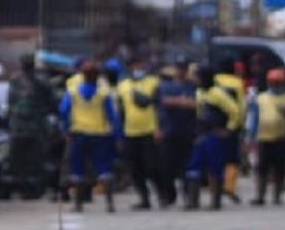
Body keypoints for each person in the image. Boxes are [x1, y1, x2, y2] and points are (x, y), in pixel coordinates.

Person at [59, 59, 123, 212]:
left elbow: (63, 111)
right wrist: (119, 137)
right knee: (104, 168)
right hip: (101, 135)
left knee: (78, 169)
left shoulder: (73, 92)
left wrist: (66, 129)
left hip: (79, 134)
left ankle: (78, 204)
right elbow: (113, 116)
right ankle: (110, 204)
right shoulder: (103, 93)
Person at [246, 68, 285, 206]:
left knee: (279, 167)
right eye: (273, 82)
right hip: (264, 138)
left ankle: (277, 196)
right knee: (262, 168)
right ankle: (260, 195)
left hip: (282, 137)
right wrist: (250, 136)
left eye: (278, 82)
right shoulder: (261, 99)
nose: (275, 84)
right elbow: (255, 118)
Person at [187, 66, 240, 210]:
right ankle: (193, 201)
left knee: (215, 167)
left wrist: (228, 129)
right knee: (194, 166)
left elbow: (235, 112)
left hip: (215, 134)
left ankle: (215, 201)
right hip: (201, 133)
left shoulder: (218, 94)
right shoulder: (199, 93)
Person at [117, 56, 165, 209]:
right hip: (130, 131)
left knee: (152, 166)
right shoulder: (123, 85)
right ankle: (144, 198)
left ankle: (162, 194)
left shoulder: (154, 82)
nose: (138, 67)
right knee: (135, 168)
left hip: (150, 130)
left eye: (141, 64)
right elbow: (121, 110)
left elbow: (160, 107)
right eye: (135, 64)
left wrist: (160, 128)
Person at [5, 52, 54, 198]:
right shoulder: (15, 81)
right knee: (17, 160)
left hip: (34, 128)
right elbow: (10, 103)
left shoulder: (40, 83)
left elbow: (49, 102)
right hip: (20, 127)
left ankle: (33, 189)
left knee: (35, 161)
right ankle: (19, 187)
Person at [158, 58, 197, 206]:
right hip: (169, 130)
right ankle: (169, 195)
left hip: (187, 131)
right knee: (166, 166)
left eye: (183, 68)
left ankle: (188, 196)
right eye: (179, 68)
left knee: (187, 165)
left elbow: (195, 104)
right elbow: (164, 102)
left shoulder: (192, 86)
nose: (181, 71)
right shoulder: (166, 86)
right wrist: (182, 102)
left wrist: (179, 102)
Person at [214, 61, 247, 204]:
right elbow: (241, 106)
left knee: (216, 157)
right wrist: (240, 124)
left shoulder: (214, 81)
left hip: (214, 125)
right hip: (232, 126)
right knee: (233, 158)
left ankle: (215, 187)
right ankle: (229, 187)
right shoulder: (237, 83)